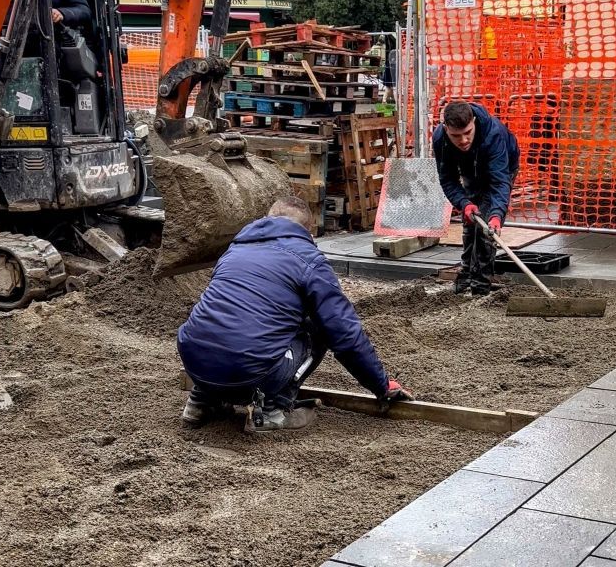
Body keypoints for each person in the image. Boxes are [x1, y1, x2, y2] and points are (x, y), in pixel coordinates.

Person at [177, 196, 414, 432]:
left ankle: (200, 402)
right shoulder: (310, 261)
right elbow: (345, 334)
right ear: (307, 231)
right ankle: (272, 410)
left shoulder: (234, 250)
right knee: (321, 327)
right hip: (248, 373)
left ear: (266, 220)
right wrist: (381, 385)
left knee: (224, 319)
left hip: (195, 362)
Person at [433, 101, 520, 296]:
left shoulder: (493, 134)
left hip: (501, 170)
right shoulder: (440, 139)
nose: (463, 140)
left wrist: (497, 215)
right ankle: (466, 274)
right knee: (471, 221)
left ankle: (480, 287)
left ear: (473, 122)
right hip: (469, 170)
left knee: (485, 229)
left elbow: (499, 182)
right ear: (446, 128)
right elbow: (447, 179)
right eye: (456, 135)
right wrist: (464, 204)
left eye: (468, 133)